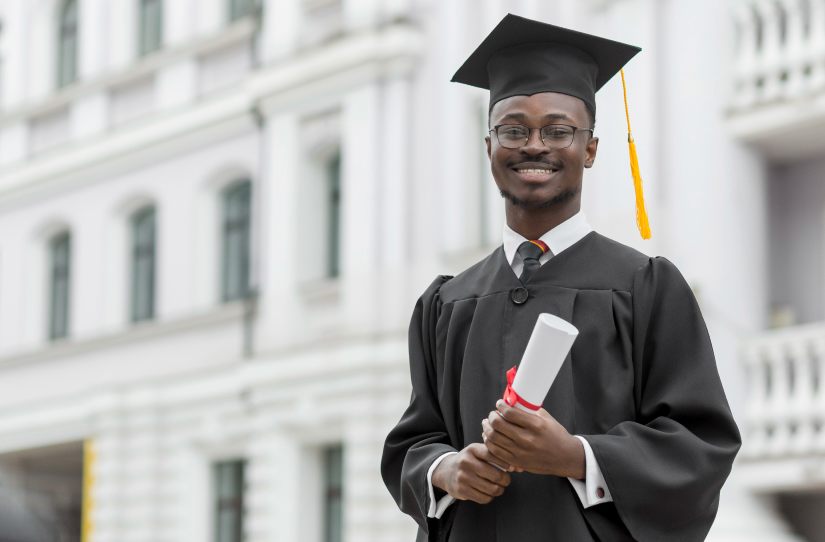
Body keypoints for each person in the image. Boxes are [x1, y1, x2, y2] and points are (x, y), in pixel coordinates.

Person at [381, 13, 741, 542]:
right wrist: (445, 470)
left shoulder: (645, 288)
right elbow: (414, 441)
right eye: (512, 129)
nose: (533, 145)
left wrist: (576, 456)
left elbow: (698, 445)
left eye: (558, 130)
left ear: (589, 149)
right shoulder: (447, 303)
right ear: (488, 148)